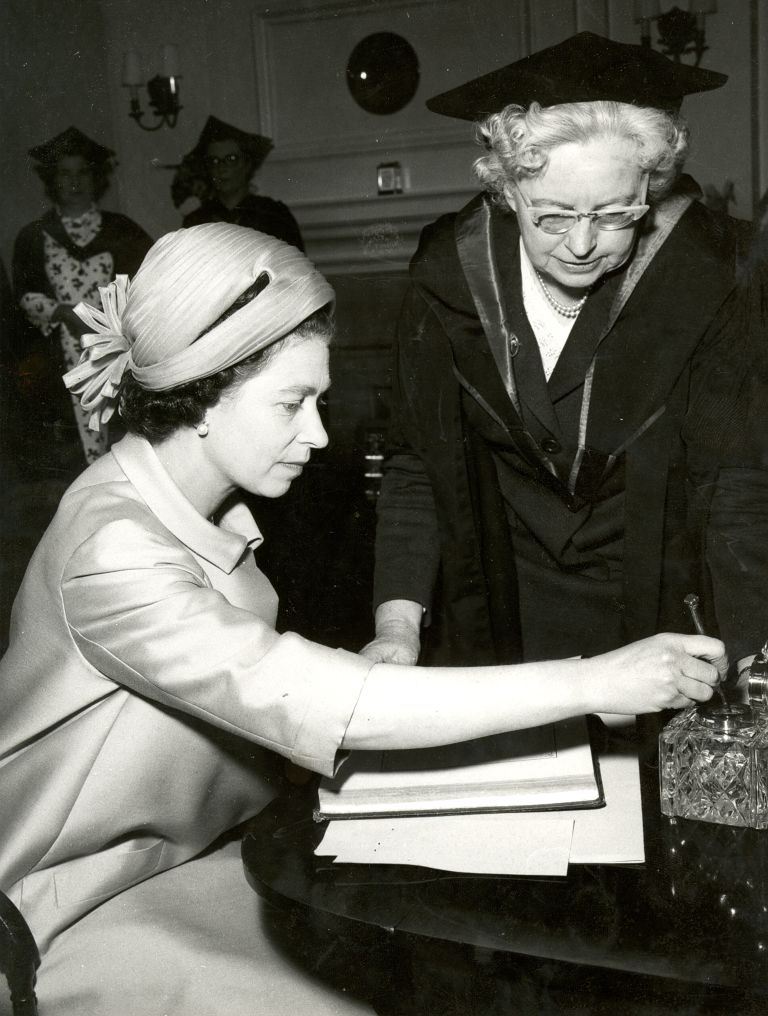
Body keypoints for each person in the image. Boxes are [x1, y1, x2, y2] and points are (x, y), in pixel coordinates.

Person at [0, 224, 723, 1015]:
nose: (316, 434)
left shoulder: (188, 506)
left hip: (189, 860)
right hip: (62, 905)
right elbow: (308, 696)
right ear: (201, 395)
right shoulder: (114, 549)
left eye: (320, 400)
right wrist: (594, 680)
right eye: (290, 403)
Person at [365, 32, 764, 679]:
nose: (581, 245)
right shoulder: (450, 273)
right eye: (550, 215)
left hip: (662, 614)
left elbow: (740, 488)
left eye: (614, 215)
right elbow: (417, 466)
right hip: (500, 607)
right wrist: (397, 627)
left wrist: (755, 663)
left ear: (653, 187)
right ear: (504, 187)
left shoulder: (711, 278)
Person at [12, 126, 152, 472]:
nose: (74, 182)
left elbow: (147, 284)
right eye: (65, 173)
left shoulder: (121, 229)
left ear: (96, 177)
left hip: (114, 348)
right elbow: (24, 295)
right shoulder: (34, 237)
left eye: (83, 172)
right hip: (59, 349)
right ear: (52, 180)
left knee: (123, 439)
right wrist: (64, 311)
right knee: (70, 442)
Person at [178, 114, 304, 250]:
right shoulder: (197, 221)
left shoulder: (273, 215)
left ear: (247, 164)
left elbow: (294, 267)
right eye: (214, 161)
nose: (221, 168)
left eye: (231, 159)